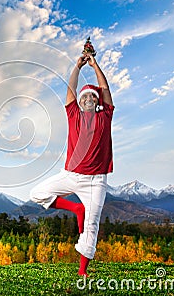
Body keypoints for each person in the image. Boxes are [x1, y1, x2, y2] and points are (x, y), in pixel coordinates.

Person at [30, 52, 114, 277]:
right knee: (37, 193)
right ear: (79, 102)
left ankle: (82, 272)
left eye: (92, 98)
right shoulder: (73, 114)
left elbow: (104, 90)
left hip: (96, 181)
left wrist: (95, 66)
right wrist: (77, 67)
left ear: (97, 103)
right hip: (70, 175)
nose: (87, 99)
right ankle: (76, 208)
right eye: (84, 97)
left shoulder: (105, 116)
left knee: (91, 226)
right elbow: (70, 90)